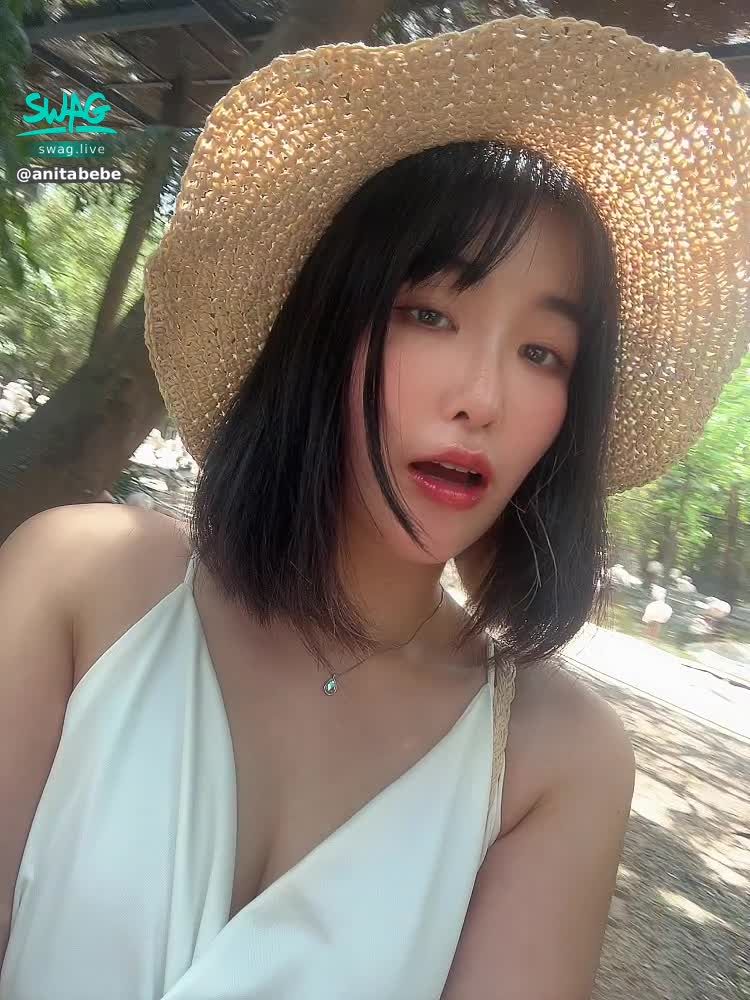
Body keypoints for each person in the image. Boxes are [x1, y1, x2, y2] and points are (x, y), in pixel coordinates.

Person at [1, 14, 747, 1000]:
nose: (482, 396)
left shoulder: (554, 761)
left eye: (543, 353)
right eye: (429, 313)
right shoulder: (82, 581)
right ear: (324, 328)